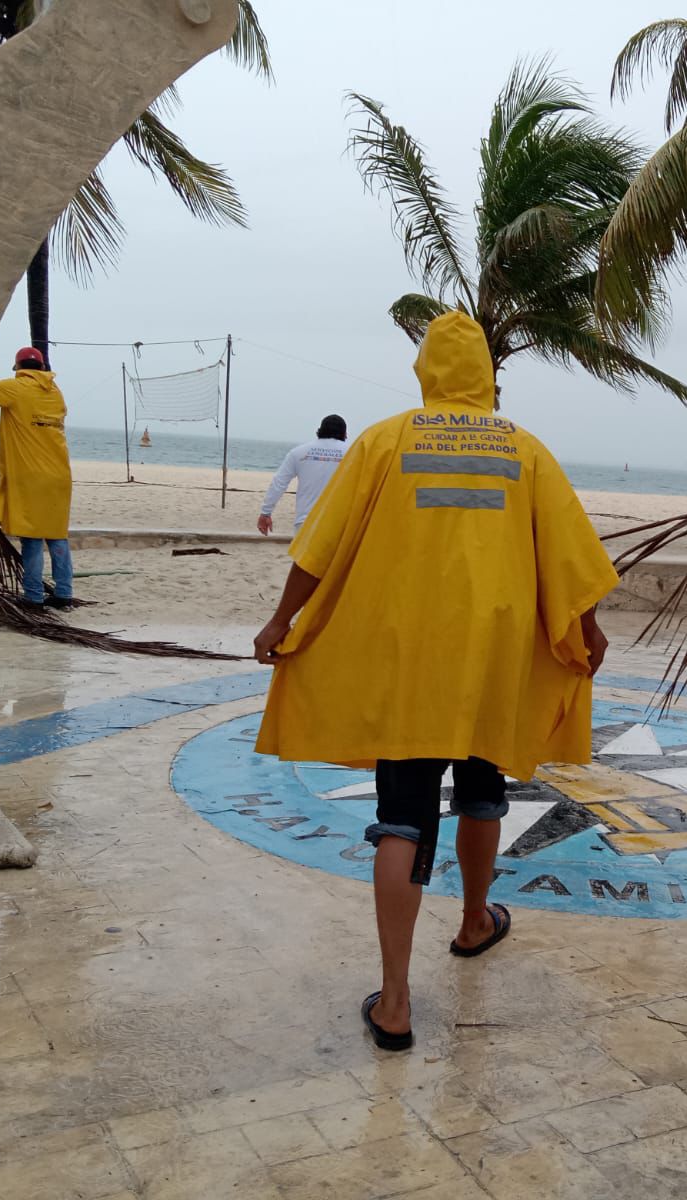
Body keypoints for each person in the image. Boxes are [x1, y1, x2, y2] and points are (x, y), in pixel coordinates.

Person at [252, 312, 617, 1051]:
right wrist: (591, 630)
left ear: (425, 371)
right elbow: (572, 557)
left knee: (403, 815)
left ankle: (394, 1002)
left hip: (408, 657)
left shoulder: (386, 442)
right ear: (486, 374)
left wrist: (280, 621)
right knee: (484, 791)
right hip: (496, 659)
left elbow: (319, 547)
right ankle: (476, 919)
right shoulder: (525, 449)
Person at [0, 347, 74, 609]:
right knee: (56, 535)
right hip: (59, 476)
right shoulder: (55, 393)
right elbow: (32, 427)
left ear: (18, 368)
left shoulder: (16, 387)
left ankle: (33, 597)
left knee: (31, 537)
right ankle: (63, 593)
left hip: (31, 477)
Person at [257, 414, 348, 536]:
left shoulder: (298, 452)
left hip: (305, 521)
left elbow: (279, 483)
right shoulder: (353, 451)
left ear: (320, 431)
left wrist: (266, 512)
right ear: (344, 433)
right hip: (341, 522)